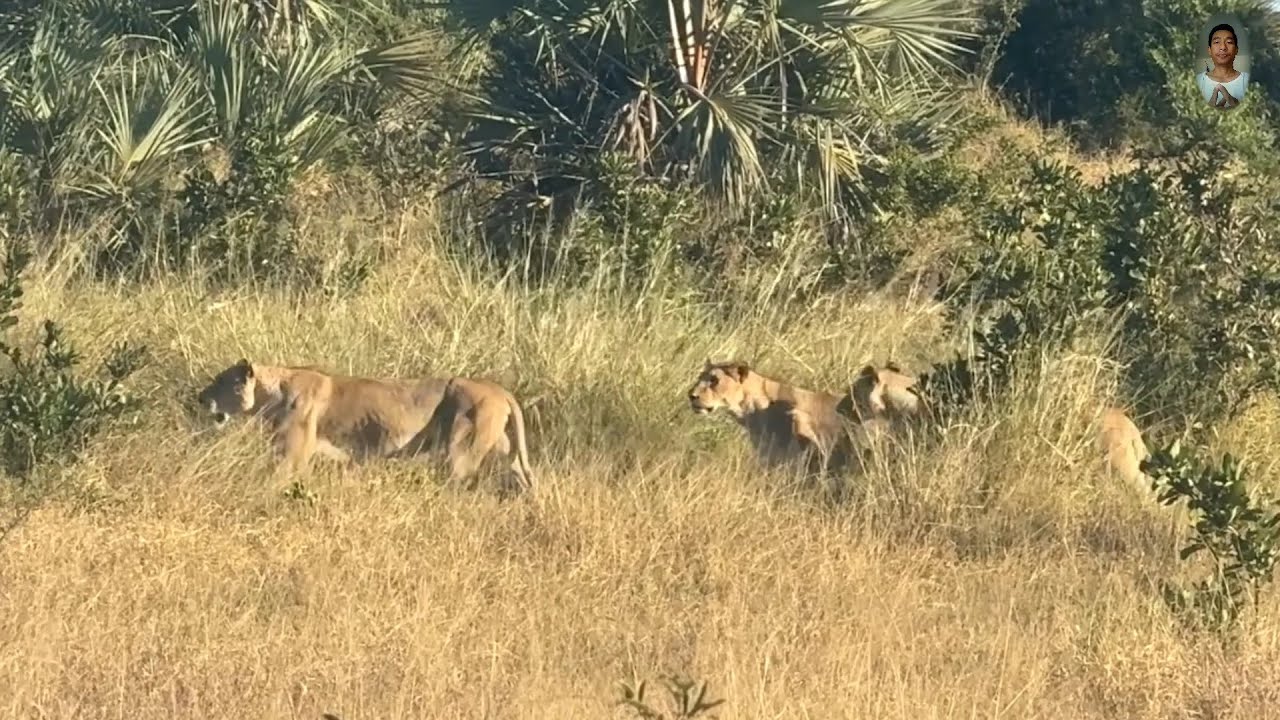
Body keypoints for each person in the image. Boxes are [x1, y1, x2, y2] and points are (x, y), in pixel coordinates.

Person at [1196, 23, 1249, 109]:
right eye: (1217, 42)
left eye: (1229, 42)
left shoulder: (1248, 80)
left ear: (1236, 50)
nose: (1223, 47)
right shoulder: (1198, 81)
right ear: (1209, 50)